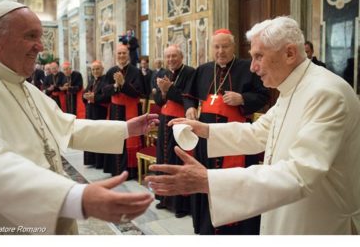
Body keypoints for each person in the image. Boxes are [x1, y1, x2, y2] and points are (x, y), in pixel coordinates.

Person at [146, 16, 360, 235]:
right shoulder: (291, 88)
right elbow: (258, 132)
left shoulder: (325, 93)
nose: (253, 67)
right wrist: (206, 130)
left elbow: (299, 174)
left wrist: (209, 180)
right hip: (288, 210)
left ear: (289, 53)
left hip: (317, 222)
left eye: (259, 56)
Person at [0, 1, 158, 235]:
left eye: (41, 37)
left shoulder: (24, 86)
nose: (40, 46)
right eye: (30, 36)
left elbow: (67, 127)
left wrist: (125, 129)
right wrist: (76, 197)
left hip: (54, 218)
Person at [183, 28, 269, 235]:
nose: (220, 51)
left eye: (225, 46)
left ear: (233, 47)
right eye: (217, 46)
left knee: (235, 183)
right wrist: (190, 107)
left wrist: (243, 99)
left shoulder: (247, 68)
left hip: (237, 139)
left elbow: (263, 95)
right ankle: (207, 227)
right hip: (207, 139)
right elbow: (188, 94)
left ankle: (238, 230)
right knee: (208, 180)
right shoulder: (203, 70)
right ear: (212, 48)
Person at [153, 44, 195, 218]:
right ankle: (164, 198)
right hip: (164, 121)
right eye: (168, 57)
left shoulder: (190, 73)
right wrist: (162, 93)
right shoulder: (164, 73)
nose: (171, 60)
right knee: (164, 158)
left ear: (182, 57)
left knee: (177, 160)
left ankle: (181, 205)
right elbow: (157, 100)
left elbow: (187, 98)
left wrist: (168, 90)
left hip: (179, 122)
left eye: (174, 56)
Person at [103, 44, 145, 179]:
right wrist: (116, 85)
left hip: (131, 110)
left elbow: (139, 93)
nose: (121, 56)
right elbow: (104, 91)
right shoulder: (111, 71)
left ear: (128, 55)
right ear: (116, 55)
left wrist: (124, 84)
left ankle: (131, 171)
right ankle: (116, 169)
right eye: (119, 53)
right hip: (116, 110)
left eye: (124, 53)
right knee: (117, 137)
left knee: (130, 137)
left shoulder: (136, 71)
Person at [82, 60, 110, 167]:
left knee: (99, 135)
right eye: (93, 69)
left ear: (102, 69)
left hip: (100, 112)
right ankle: (92, 160)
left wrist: (94, 98)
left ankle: (99, 162)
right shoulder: (92, 80)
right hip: (90, 112)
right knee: (91, 135)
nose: (95, 71)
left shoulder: (106, 81)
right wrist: (85, 96)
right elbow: (85, 92)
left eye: (97, 69)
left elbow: (107, 97)